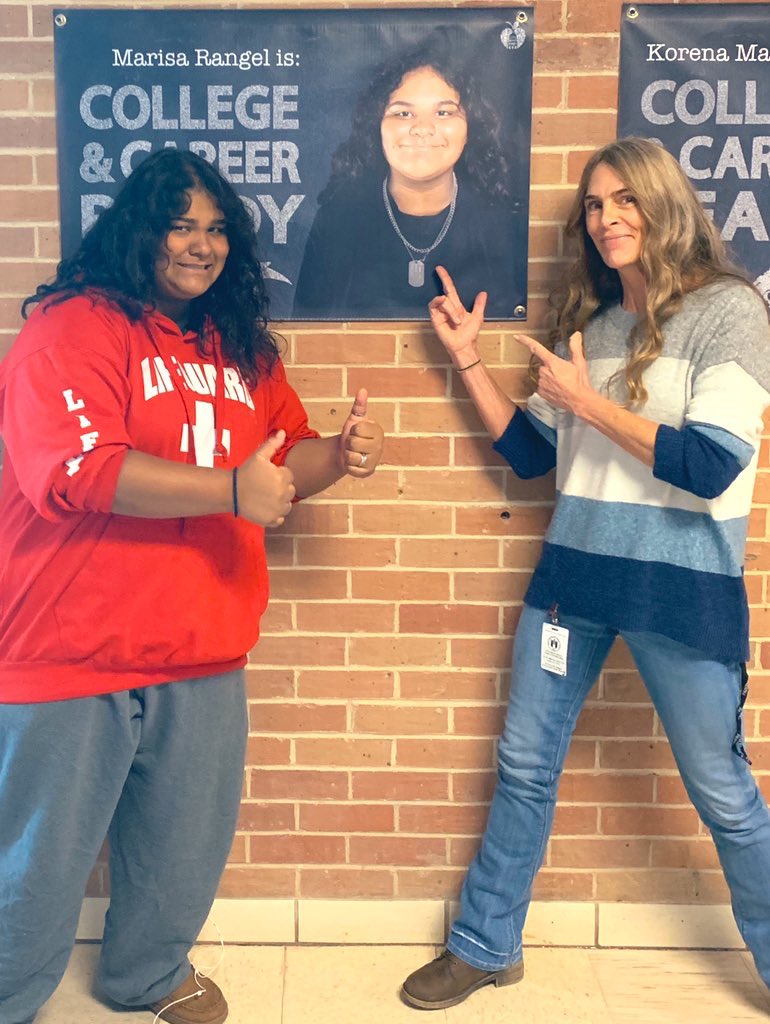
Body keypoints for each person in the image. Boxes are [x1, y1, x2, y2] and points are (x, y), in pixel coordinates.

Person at [0, 148, 384, 1024]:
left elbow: (281, 462)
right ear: (141, 228)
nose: (201, 245)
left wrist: (343, 457)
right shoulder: (75, 325)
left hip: (202, 644)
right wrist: (229, 491)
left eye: (217, 230)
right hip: (70, 645)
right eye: (182, 224)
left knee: (182, 843)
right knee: (36, 860)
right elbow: (73, 470)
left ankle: (146, 975)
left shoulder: (238, 347)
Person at [401, 136, 770, 1010]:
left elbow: (711, 463)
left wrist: (586, 402)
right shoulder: (594, 327)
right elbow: (531, 452)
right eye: (596, 205)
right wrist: (467, 360)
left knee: (722, 793)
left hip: (678, 589)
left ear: (663, 203)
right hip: (573, 582)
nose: (607, 218)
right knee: (524, 762)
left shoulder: (733, 310)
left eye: (625, 200)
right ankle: (487, 944)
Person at [292, 31, 524, 320]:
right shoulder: (338, 219)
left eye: (444, 113)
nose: (422, 128)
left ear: (470, 129)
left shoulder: (502, 223)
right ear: (377, 127)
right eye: (403, 114)